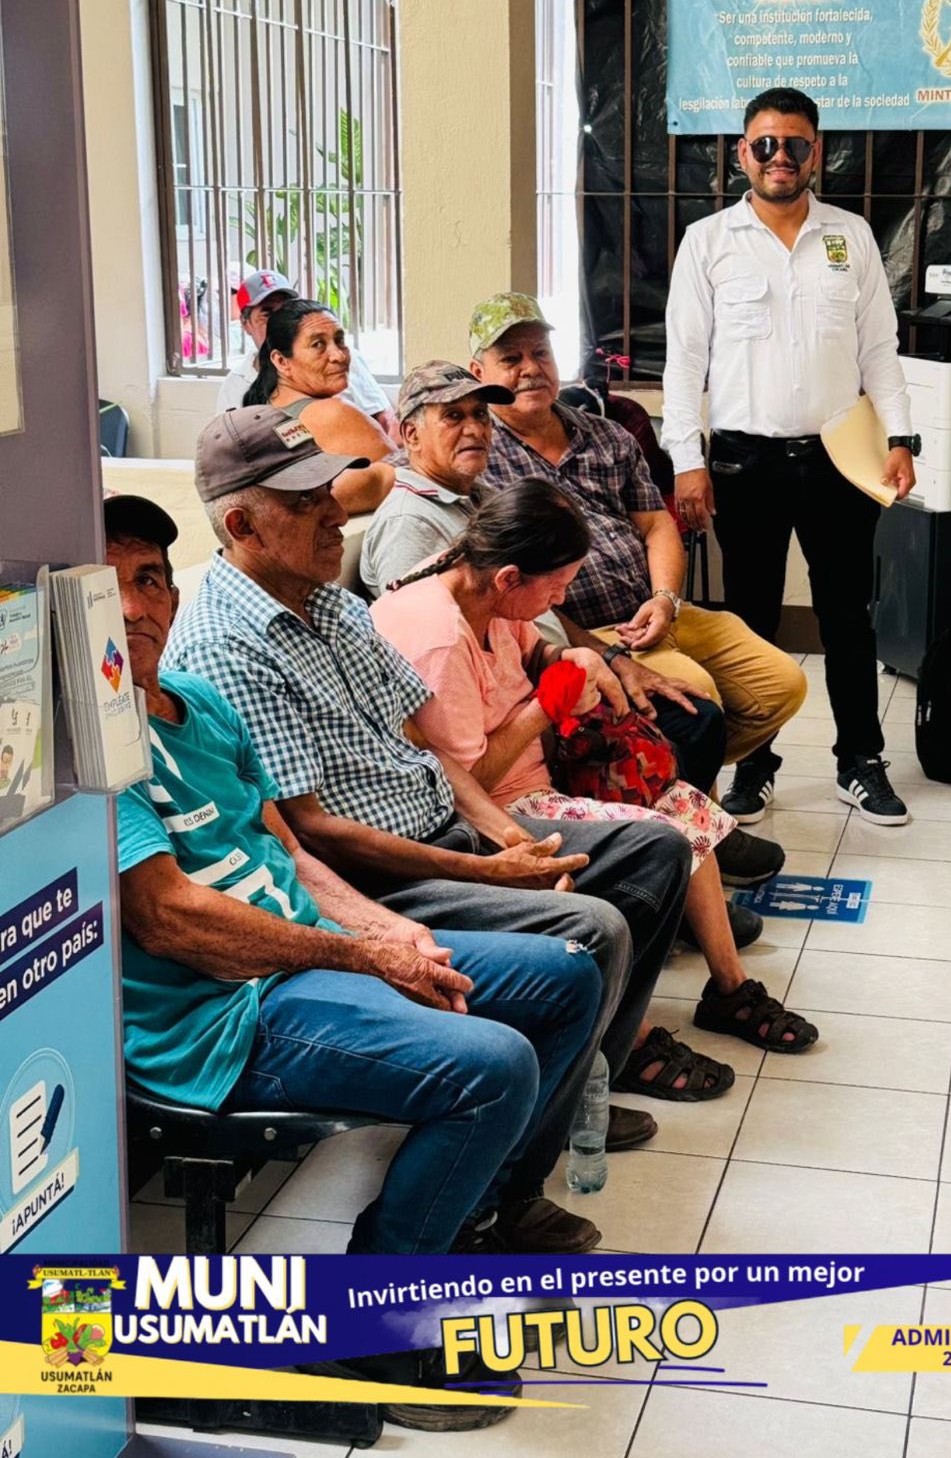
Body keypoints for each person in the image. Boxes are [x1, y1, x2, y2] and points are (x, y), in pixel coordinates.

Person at [104, 489, 602, 1428]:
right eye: (111, 586)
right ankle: (366, 1330)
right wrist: (363, 957)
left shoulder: (197, 704)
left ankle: (466, 1222)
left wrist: (384, 932)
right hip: (224, 1013)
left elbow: (290, 851)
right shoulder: (100, 749)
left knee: (566, 973)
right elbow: (170, 921)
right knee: (491, 1067)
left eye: (152, 581)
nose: (136, 607)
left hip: (311, 956)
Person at [165, 406, 694, 1247]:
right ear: (241, 525)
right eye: (305, 503)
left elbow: (431, 752)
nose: (335, 513)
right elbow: (312, 834)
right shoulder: (226, 646)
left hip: (445, 833)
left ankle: (576, 1089)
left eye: (328, 491)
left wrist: (505, 839)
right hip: (381, 875)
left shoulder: (329, 604)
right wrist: (486, 871)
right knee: (590, 933)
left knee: (654, 850)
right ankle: (502, 1191)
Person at [374, 477, 819, 1076]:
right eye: (557, 586)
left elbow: (533, 652)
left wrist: (573, 657)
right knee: (661, 839)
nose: (562, 599)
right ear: (510, 578)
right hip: (494, 808)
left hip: (541, 769)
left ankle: (729, 988)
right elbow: (465, 781)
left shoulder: (487, 588)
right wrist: (546, 707)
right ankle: (625, 1036)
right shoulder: (438, 637)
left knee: (683, 804)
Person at [361, 361, 781, 890]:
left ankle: (694, 849)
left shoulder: (479, 497)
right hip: (514, 757)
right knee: (684, 724)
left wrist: (597, 658)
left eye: (480, 415)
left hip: (556, 676)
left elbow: (537, 618)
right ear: (410, 434)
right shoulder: (414, 534)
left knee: (692, 715)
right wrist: (554, 699)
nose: (475, 429)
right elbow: (451, 739)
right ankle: (677, 860)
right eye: (453, 417)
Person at [661, 86, 917, 827]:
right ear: (743, 153)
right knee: (750, 621)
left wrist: (901, 439)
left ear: (815, 153)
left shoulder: (851, 236)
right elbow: (684, 362)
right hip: (744, 464)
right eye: (765, 144)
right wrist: (686, 459)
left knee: (848, 616)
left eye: (795, 144)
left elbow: (879, 349)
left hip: (840, 460)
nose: (780, 157)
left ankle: (859, 761)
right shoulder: (708, 241)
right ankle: (754, 764)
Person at [468, 293, 808, 821]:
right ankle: (695, 821)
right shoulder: (481, 460)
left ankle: (653, 782)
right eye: (511, 359)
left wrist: (665, 599)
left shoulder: (607, 435)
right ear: (479, 373)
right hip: (587, 633)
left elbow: (656, 524)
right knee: (698, 700)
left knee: (782, 684)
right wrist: (603, 654)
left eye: (541, 353)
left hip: (658, 611)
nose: (531, 369)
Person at [242, 298, 395, 514]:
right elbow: (410, 481)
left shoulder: (266, 407)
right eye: (318, 345)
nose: (338, 355)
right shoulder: (333, 413)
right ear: (281, 361)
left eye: (339, 340)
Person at [216, 267, 399, 440]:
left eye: (285, 309)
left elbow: (386, 422)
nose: (280, 320)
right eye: (268, 313)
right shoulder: (236, 384)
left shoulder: (342, 359)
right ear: (245, 324)